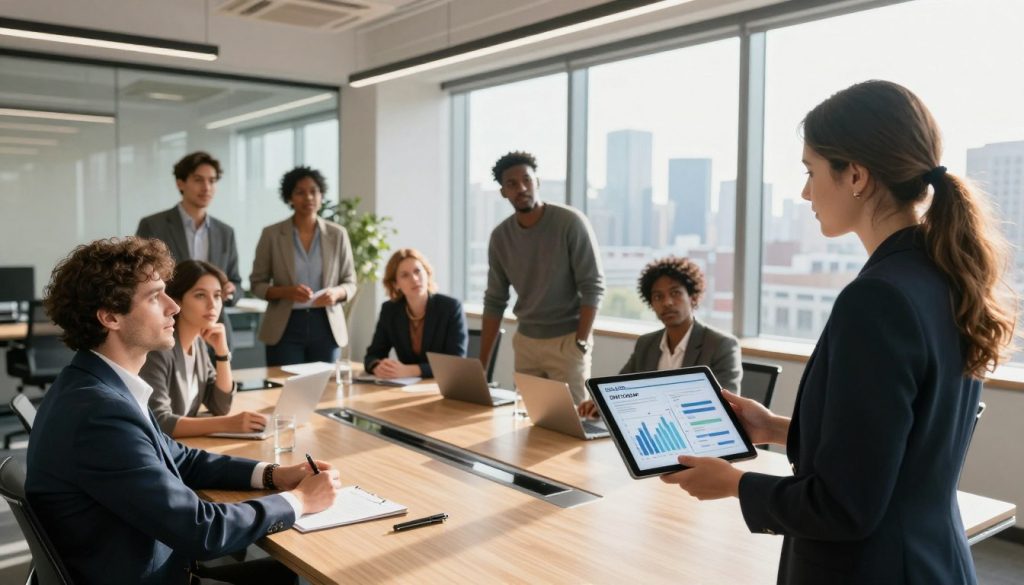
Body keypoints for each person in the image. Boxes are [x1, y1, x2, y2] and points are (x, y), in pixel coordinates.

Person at [660, 80, 1016, 585]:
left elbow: (845, 506)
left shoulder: (877, 299)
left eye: (810, 171)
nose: (805, 191)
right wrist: (776, 429)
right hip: (932, 559)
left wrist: (737, 484)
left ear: (855, 175)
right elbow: (899, 445)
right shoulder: (944, 277)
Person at [26, 237, 340, 585]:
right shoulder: (99, 413)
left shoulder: (98, 386)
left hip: (148, 567)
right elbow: (202, 530)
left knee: (286, 575)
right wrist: (299, 500)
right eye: (154, 296)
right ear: (110, 317)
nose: (173, 306)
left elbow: (180, 458)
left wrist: (273, 474)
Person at [479, 151, 604, 404]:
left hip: (567, 342)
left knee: (573, 424)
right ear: (503, 192)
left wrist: (579, 342)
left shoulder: (570, 222)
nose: (521, 188)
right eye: (512, 184)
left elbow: (593, 286)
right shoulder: (500, 237)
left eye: (527, 179)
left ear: (538, 181)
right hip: (526, 343)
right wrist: (481, 364)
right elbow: (495, 300)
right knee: (529, 421)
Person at [578, 256, 741, 418]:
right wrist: (601, 402)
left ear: (692, 297)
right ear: (652, 305)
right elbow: (620, 388)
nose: (667, 302)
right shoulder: (646, 343)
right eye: (658, 296)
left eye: (675, 293)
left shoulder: (721, 345)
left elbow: (725, 405)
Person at [140, 260, 268, 438]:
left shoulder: (198, 344)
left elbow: (220, 405)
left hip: (187, 447)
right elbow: (159, 421)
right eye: (200, 295)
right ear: (177, 301)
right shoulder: (159, 350)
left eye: (217, 296)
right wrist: (228, 424)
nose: (212, 304)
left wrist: (222, 353)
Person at [250, 166, 356, 366]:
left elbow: (350, 282)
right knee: (284, 389)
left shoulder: (337, 234)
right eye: (300, 192)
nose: (308, 197)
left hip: (326, 325)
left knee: (326, 391)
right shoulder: (271, 234)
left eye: (313, 191)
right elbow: (257, 284)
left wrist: (336, 293)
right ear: (289, 197)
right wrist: (285, 292)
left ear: (321, 195)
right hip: (285, 327)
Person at [136, 151, 242, 347]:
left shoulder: (225, 232)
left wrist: (230, 290)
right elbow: (141, 279)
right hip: (168, 326)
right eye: (198, 180)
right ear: (180, 183)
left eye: (212, 181)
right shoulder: (154, 225)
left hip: (213, 329)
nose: (206, 187)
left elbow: (236, 281)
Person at [364, 248, 468, 379]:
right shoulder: (390, 310)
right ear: (396, 284)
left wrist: (411, 371)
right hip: (407, 388)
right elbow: (372, 355)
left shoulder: (450, 308)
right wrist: (378, 367)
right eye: (405, 275)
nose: (414, 278)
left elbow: (455, 364)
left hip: (445, 387)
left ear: (427, 273)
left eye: (418, 271)